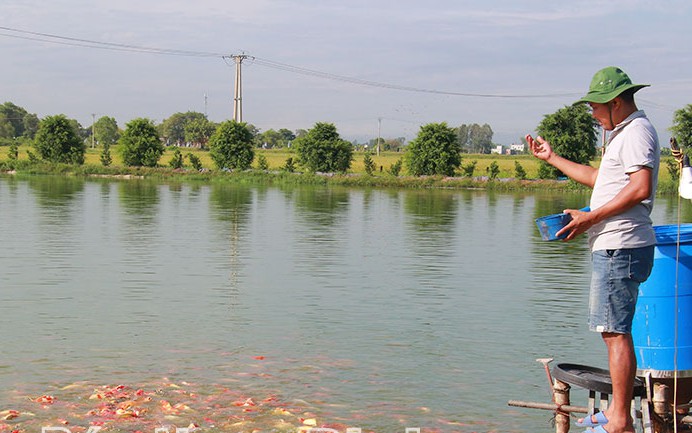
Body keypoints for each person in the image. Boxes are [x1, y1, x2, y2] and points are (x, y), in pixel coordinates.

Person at [526, 66, 660, 433]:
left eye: (596, 107)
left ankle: (619, 419)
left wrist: (591, 218)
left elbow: (640, 188)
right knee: (612, 330)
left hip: (622, 245)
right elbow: (603, 180)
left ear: (616, 102)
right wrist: (551, 158)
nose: (593, 114)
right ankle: (618, 409)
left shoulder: (635, 132)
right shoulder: (623, 134)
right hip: (616, 243)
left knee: (615, 331)